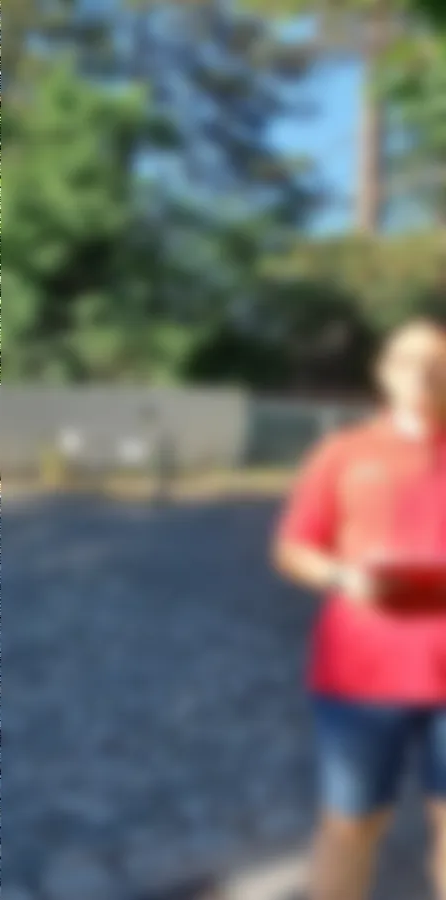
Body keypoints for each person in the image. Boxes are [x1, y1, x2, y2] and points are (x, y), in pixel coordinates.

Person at [275, 316, 446, 900]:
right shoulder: (343, 452)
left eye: (438, 363)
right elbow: (294, 548)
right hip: (360, 677)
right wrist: (343, 577)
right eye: (409, 361)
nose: (424, 374)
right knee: (350, 826)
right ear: (384, 372)